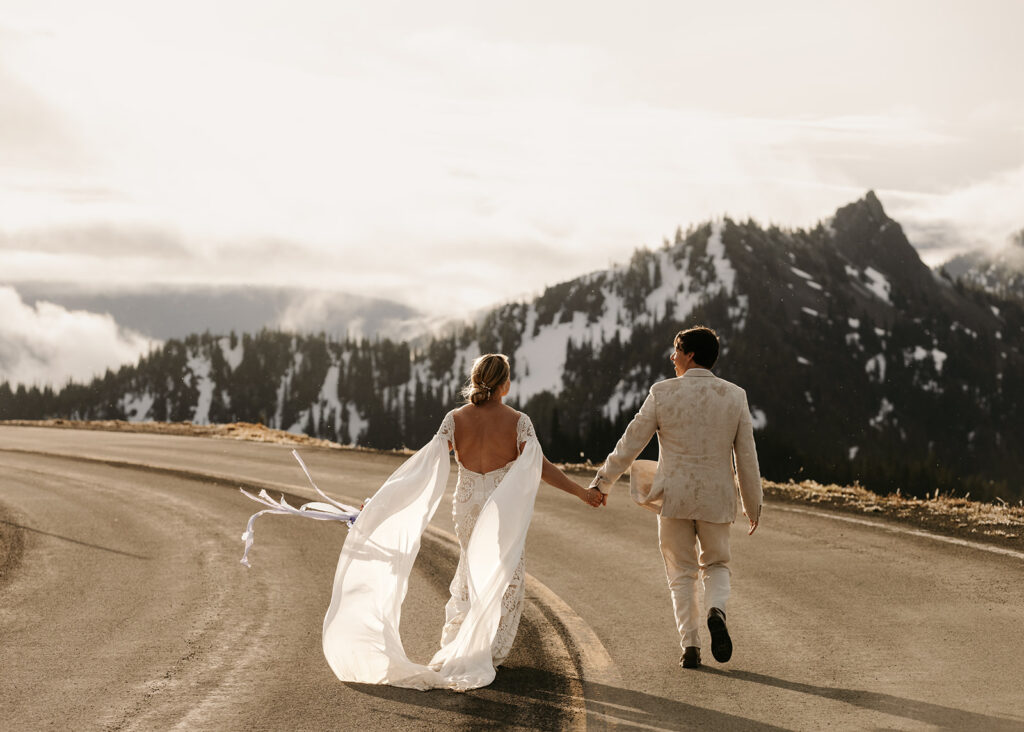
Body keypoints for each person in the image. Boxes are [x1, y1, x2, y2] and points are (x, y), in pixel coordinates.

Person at [241, 353, 603, 691]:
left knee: (469, 569)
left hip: (465, 507)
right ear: (505, 384)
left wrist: (383, 502)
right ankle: (487, 651)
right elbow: (540, 467)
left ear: (476, 380)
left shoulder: (456, 419)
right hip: (498, 507)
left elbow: (424, 465)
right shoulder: (518, 422)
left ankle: (461, 642)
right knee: (507, 576)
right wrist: (582, 493)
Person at [589, 326, 762, 669]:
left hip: (674, 498)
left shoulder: (662, 393)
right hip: (716, 497)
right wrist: (752, 504)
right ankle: (717, 610)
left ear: (691, 355)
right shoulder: (734, 396)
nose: (673, 357)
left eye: (677, 350)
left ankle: (691, 647)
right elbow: (746, 455)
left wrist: (602, 482)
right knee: (716, 564)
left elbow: (630, 441)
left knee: (680, 572)